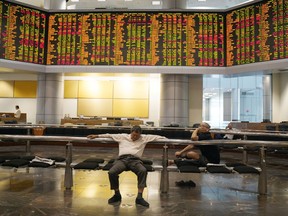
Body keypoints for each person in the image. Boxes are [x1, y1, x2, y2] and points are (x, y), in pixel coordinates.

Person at [87, 125, 167, 207]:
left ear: (140, 134)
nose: (135, 137)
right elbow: (109, 135)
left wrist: (168, 141)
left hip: (135, 160)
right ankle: (117, 194)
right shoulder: (123, 137)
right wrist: (96, 136)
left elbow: (159, 137)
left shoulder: (144, 138)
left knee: (143, 171)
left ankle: (139, 197)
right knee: (112, 172)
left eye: (137, 136)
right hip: (122, 160)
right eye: (133, 135)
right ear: (130, 133)